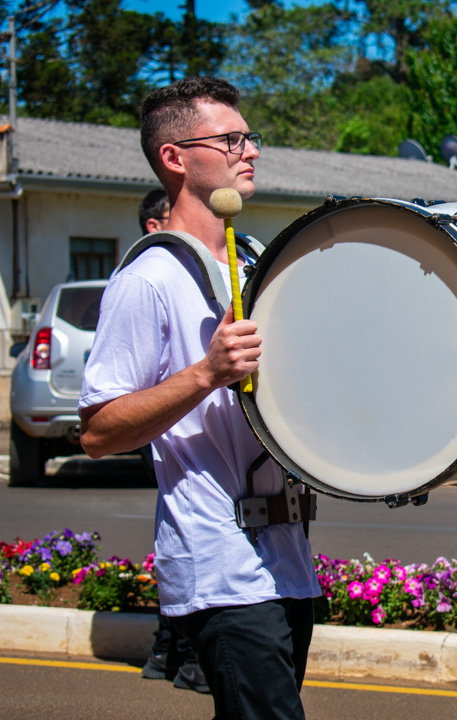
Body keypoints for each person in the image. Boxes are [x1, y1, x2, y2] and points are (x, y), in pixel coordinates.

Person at [79, 77, 320, 720]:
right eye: (231, 139)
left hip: (289, 561)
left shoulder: (259, 262)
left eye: (250, 137)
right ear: (176, 159)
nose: (251, 151)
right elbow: (99, 432)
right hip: (219, 564)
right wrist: (204, 374)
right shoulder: (146, 279)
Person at [132, 188, 209, 694]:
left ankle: (170, 652)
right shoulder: (145, 280)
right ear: (153, 226)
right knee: (179, 518)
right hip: (168, 428)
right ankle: (177, 654)